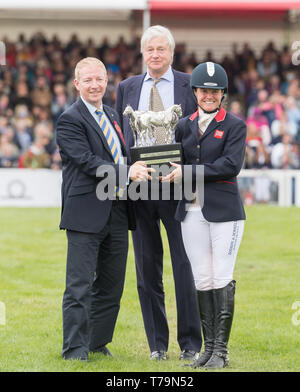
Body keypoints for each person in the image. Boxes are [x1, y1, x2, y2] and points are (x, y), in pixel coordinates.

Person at [56, 57, 152, 361]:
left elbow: (122, 154)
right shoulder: (70, 119)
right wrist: (127, 173)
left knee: (111, 285)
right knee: (79, 286)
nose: (95, 85)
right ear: (77, 84)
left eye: (99, 79)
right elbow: (86, 161)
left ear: (106, 81)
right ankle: (74, 350)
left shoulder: (111, 114)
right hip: (85, 213)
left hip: (118, 210)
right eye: (88, 80)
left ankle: (97, 342)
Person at [116, 25, 202, 361]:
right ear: (143, 53)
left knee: (184, 265)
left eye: (161, 49)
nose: (155, 55)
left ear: (171, 52)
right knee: (146, 268)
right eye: (150, 49)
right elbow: (126, 140)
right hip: (139, 189)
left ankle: (191, 343)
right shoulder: (127, 87)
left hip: (178, 187)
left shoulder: (187, 84)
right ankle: (157, 345)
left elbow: (197, 132)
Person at [161, 62, 246, 368]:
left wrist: (186, 171)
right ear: (195, 92)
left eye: (214, 91)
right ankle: (207, 350)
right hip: (190, 210)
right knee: (202, 278)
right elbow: (174, 162)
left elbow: (229, 166)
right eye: (203, 90)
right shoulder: (183, 125)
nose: (208, 95)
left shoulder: (235, 125)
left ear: (221, 93)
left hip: (224, 211)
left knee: (221, 275)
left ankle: (221, 351)